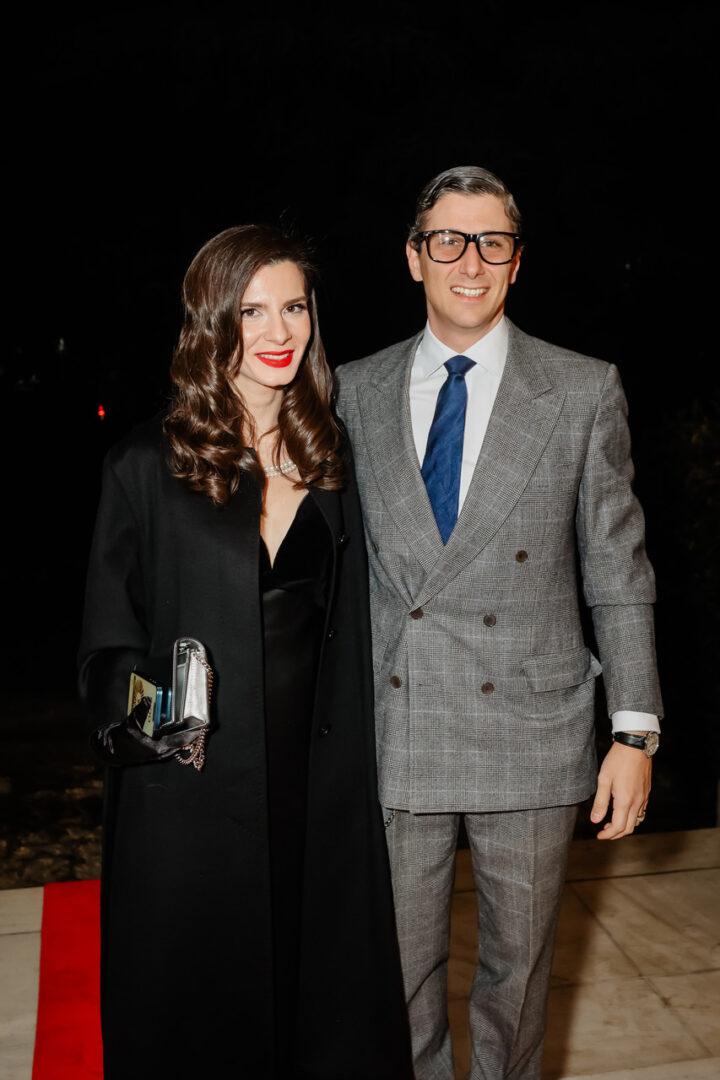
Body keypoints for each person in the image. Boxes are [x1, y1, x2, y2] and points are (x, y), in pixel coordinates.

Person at [335, 166, 663, 1080]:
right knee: (397, 980)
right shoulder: (352, 390)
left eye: (492, 242)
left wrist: (634, 731)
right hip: (396, 727)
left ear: (518, 262)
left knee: (516, 985)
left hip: (533, 728)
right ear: (414, 257)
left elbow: (618, 568)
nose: (469, 263)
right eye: (447, 241)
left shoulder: (582, 389)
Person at [78, 224, 413, 1080]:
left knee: (320, 1014)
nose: (277, 332)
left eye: (293, 308)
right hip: (192, 801)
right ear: (210, 323)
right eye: (251, 311)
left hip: (317, 793)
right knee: (201, 1022)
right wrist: (155, 714)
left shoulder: (334, 457)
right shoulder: (146, 466)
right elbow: (106, 647)